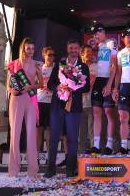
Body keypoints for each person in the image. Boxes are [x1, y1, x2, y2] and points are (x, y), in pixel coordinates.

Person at [45, 39, 90, 178]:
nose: (73, 51)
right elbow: (51, 83)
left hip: (74, 107)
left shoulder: (84, 67)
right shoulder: (60, 64)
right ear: (67, 49)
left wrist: (73, 87)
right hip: (57, 105)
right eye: (71, 48)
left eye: (76, 48)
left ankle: (70, 169)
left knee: (72, 138)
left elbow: (87, 87)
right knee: (54, 138)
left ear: (79, 50)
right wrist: (59, 87)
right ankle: (50, 168)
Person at [7, 37, 43, 178]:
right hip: (16, 100)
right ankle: (13, 170)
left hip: (31, 99)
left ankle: (33, 171)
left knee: (31, 134)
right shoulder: (13, 64)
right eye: (28, 48)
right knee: (15, 134)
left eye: (33, 49)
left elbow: (41, 84)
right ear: (23, 48)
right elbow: (8, 85)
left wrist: (30, 86)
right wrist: (12, 91)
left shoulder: (37, 64)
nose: (31, 51)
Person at [90, 25, 119, 154]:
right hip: (99, 79)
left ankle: (109, 144)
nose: (95, 37)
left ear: (103, 32)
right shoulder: (100, 46)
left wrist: (109, 84)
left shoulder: (111, 43)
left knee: (108, 112)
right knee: (96, 112)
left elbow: (114, 66)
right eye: (94, 35)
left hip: (108, 79)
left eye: (97, 34)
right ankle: (96, 145)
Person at [37, 46, 56, 152]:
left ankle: (50, 155)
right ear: (44, 55)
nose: (52, 57)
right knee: (39, 130)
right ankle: (36, 155)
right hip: (40, 102)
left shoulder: (57, 69)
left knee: (50, 129)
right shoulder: (39, 68)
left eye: (53, 55)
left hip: (52, 102)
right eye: (49, 55)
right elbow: (32, 85)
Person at [79, 44, 96, 152]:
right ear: (82, 54)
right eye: (87, 52)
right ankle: (80, 154)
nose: (90, 54)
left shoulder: (96, 66)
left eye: (91, 52)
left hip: (92, 103)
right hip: (79, 104)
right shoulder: (77, 68)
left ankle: (95, 152)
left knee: (92, 130)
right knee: (81, 131)